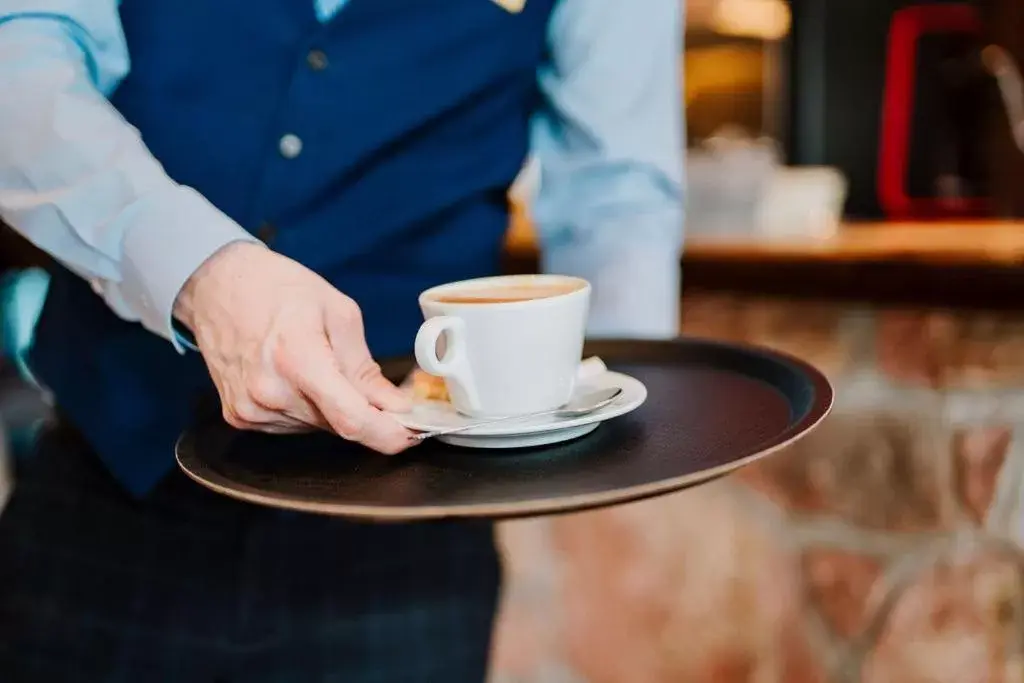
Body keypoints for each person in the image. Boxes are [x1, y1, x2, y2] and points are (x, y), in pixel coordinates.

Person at [0, 0, 684, 681]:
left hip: (409, 552)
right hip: (105, 490)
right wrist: (197, 270)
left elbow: (615, 190)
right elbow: (19, 58)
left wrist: (597, 407)